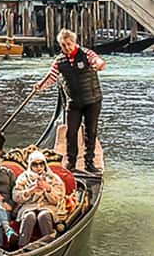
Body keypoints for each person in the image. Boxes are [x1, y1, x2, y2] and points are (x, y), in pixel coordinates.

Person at [32, 28, 106, 173]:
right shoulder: (59, 61)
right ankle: (71, 163)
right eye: (63, 45)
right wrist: (40, 86)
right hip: (73, 103)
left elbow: (98, 61)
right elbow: (51, 77)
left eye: (68, 44)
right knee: (70, 133)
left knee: (90, 132)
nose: (66, 47)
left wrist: (99, 64)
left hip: (92, 100)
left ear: (74, 42)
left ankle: (89, 163)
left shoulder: (87, 54)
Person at [12, 150, 65, 247]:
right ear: (30, 165)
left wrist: (48, 188)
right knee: (29, 216)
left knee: (44, 215)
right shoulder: (23, 178)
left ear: (45, 164)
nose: (39, 167)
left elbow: (57, 198)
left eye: (41, 164)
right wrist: (30, 191)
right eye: (35, 165)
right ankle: (22, 245)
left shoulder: (53, 178)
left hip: (47, 206)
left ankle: (49, 245)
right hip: (28, 207)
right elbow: (16, 196)